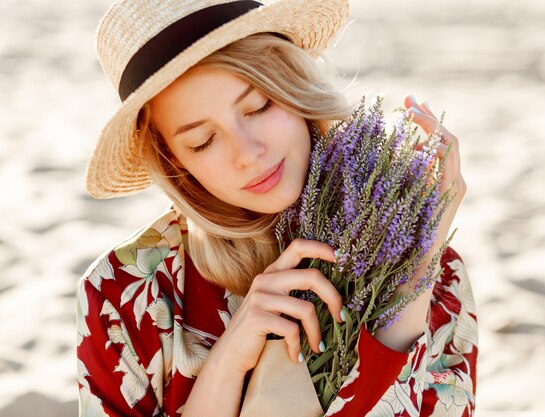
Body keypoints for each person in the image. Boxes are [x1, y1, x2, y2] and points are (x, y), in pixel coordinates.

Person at [76, 0, 478, 416]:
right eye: (202, 141)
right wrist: (226, 364)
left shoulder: (437, 273)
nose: (247, 154)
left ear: (296, 86)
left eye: (259, 107)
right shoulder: (121, 294)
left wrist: (411, 280)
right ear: (174, 160)